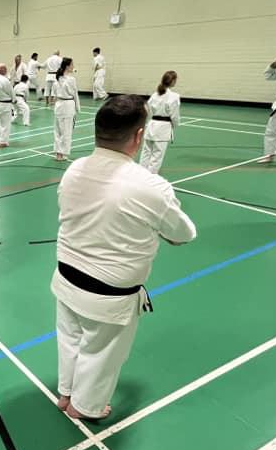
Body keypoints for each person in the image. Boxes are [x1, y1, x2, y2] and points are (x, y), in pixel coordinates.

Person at [52, 95, 196, 420]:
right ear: (139, 135)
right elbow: (183, 233)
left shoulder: (74, 169)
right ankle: (84, 407)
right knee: (101, 352)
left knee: (71, 339)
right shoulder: (151, 186)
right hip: (109, 295)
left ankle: (66, 393)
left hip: (66, 277)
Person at [141, 71, 180, 175]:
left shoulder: (155, 94)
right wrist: (175, 125)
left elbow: (148, 110)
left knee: (145, 153)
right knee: (157, 156)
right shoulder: (174, 96)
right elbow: (174, 116)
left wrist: (148, 123)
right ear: (172, 81)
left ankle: (141, 176)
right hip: (163, 128)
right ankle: (151, 179)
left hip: (151, 125)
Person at [53, 57, 81, 160]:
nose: (73, 66)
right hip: (68, 106)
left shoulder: (57, 79)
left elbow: (54, 94)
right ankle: (62, 153)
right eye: (72, 64)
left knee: (58, 130)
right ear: (67, 66)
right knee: (66, 131)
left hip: (59, 105)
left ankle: (58, 153)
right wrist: (78, 108)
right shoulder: (71, 79)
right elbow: (75, 94)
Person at [0, 64, 14, 148]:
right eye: (5, 69)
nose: (6, 70)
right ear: (3, 70)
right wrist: (14, 100)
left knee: (0, 123)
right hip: (5, 104)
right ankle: (3, 142)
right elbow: (11, 91)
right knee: (6, 124)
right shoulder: (5, 80)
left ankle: (0, 139)